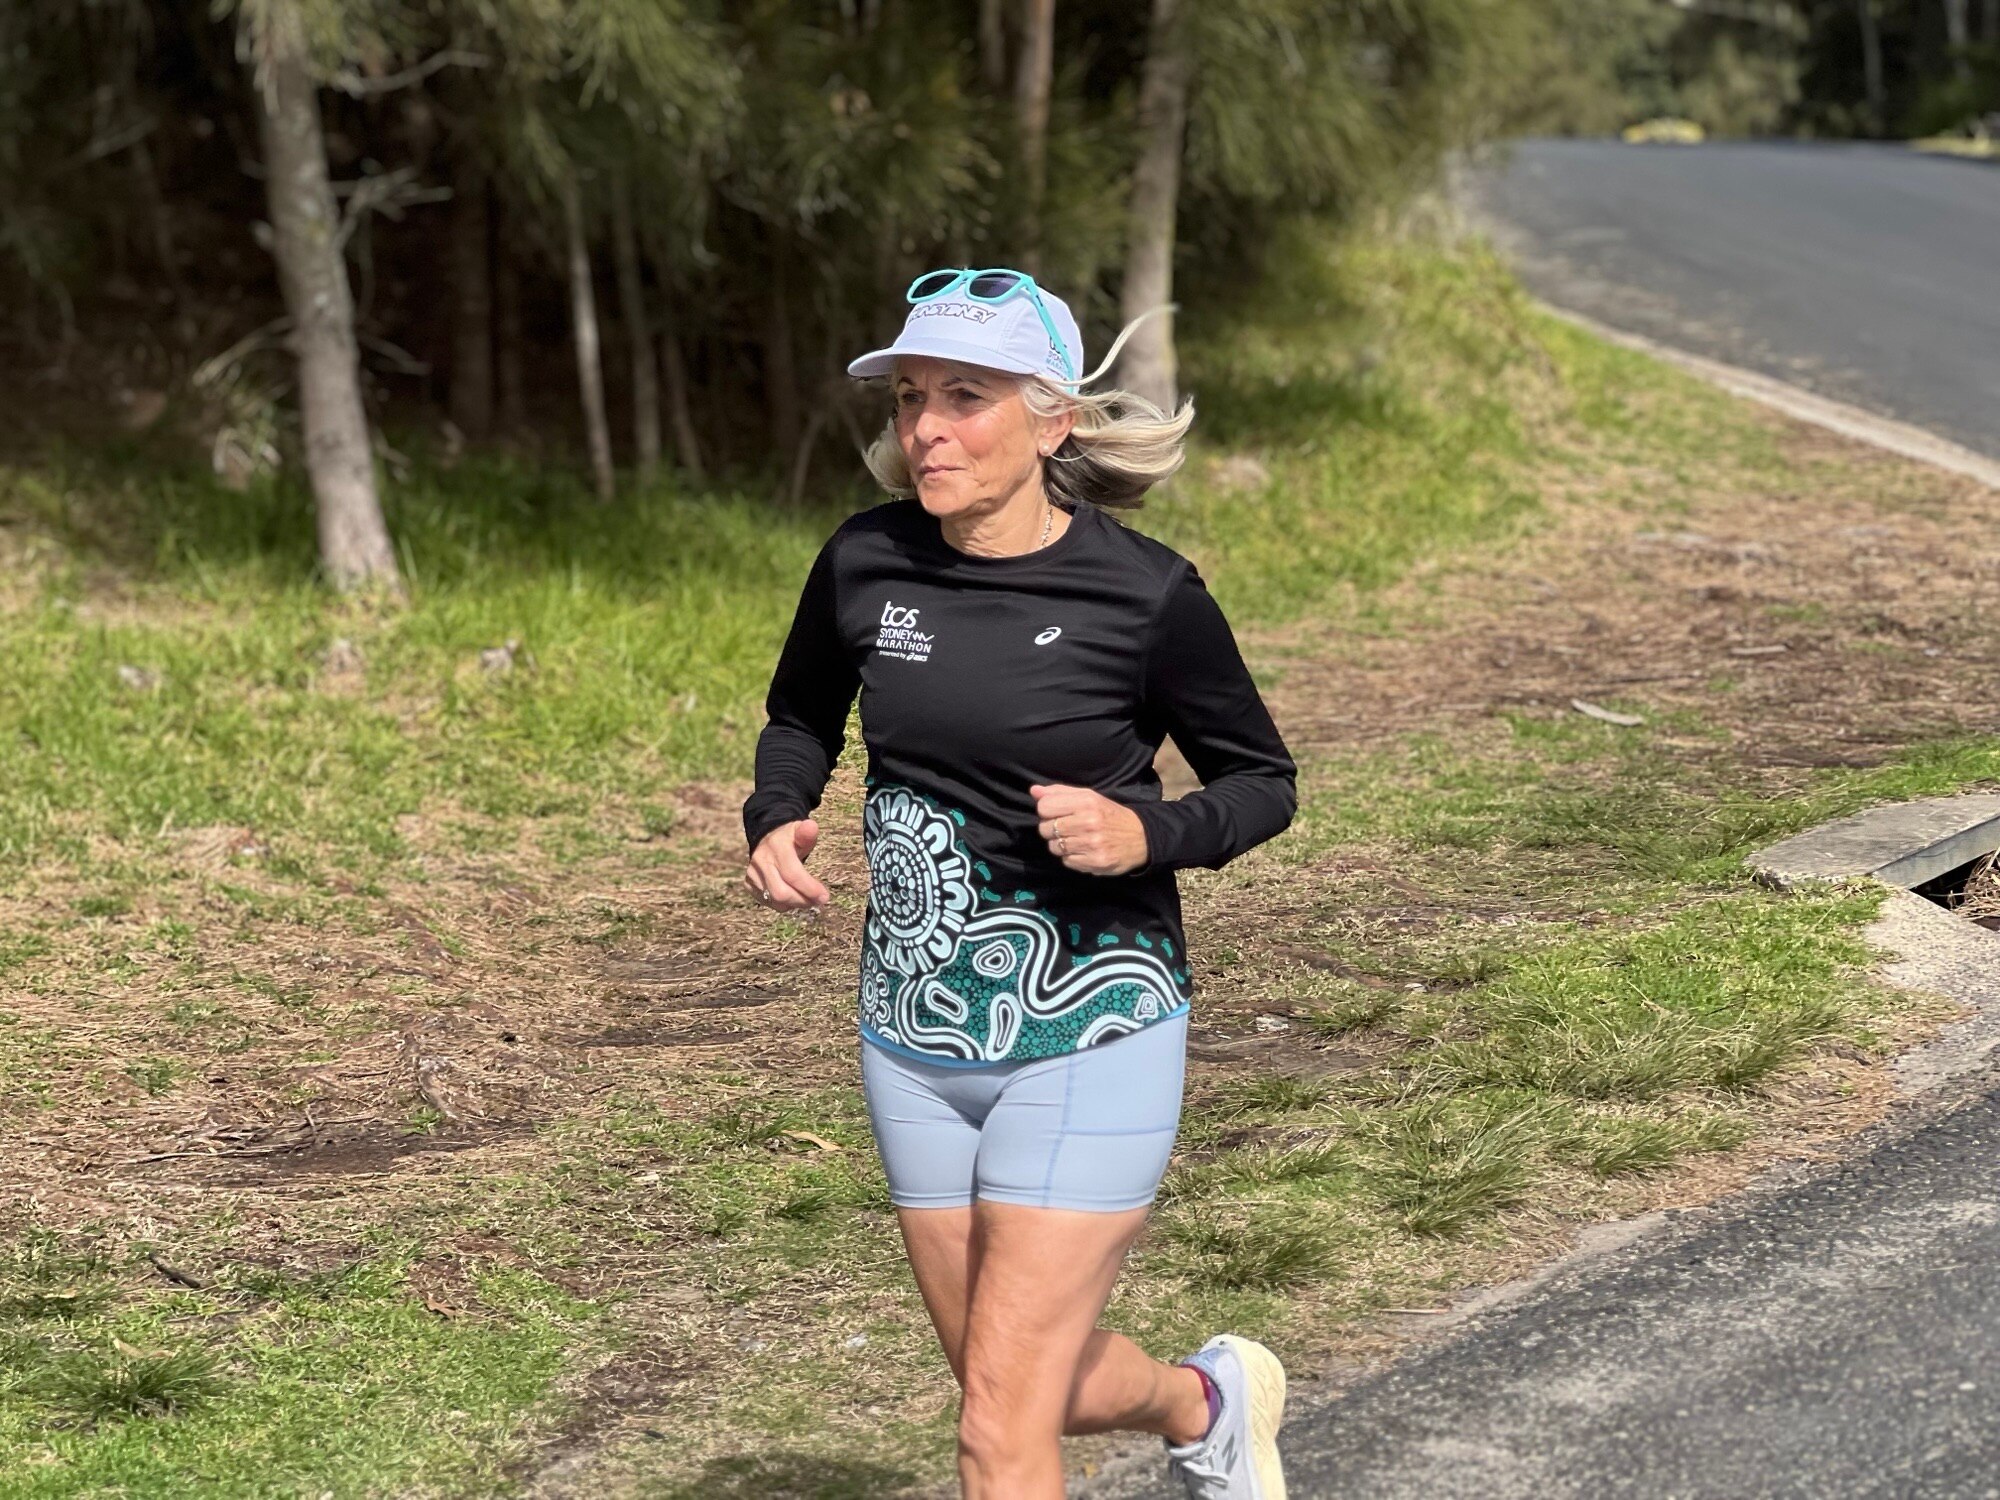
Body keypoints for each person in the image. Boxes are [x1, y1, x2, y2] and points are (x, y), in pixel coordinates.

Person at [741, 266, 1298, 1500]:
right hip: (911, 1033)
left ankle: (1203, 1408)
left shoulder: (1143, 593)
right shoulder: (863, 562)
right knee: (1007, 1382)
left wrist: (1146, 836)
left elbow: (1262, 780)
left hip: (1090, 1022)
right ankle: (1204, 1403)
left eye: (964, 397)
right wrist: (777, 812)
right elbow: (800, 716)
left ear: (1052, 418)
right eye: (908, 399)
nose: (924, 427)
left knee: (997, 1429)